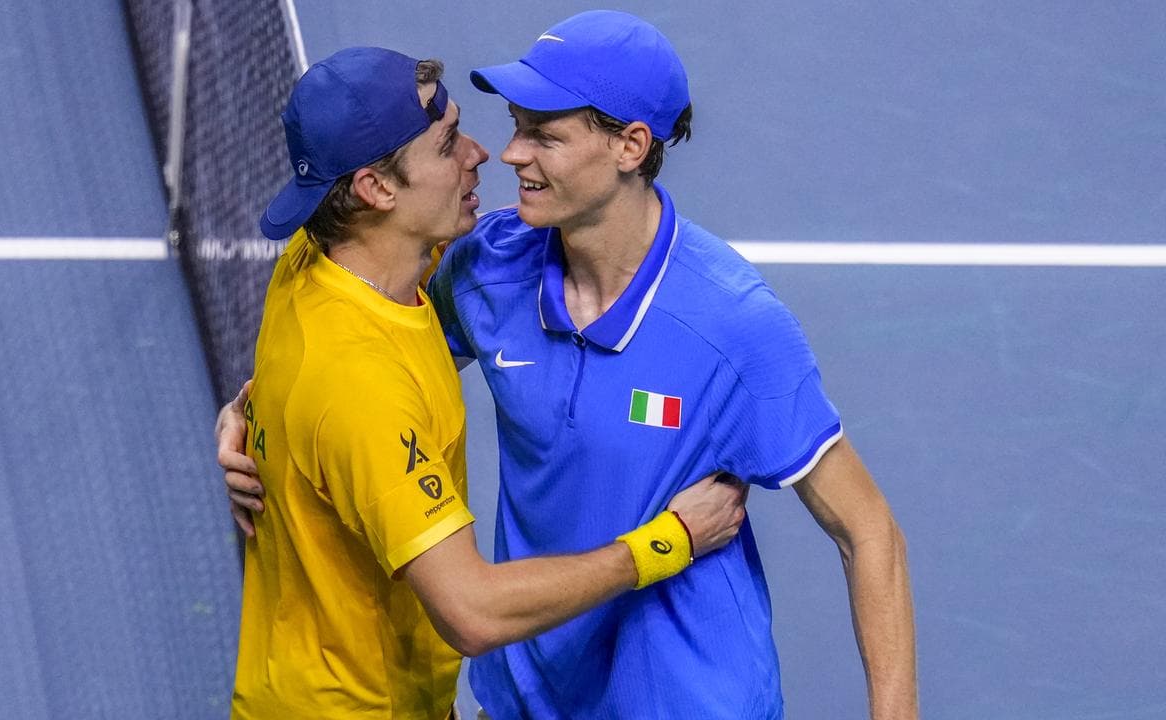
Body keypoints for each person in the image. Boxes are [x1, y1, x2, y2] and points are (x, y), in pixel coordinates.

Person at [222, 11, 918, 719]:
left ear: (630, 146)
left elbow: (868, 532)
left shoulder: (734, 328)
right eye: (517, 125)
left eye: (543, 135)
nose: (507, 154)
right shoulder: (485, 273)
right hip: (524, 698)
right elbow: (354, 355)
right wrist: (260, 413)